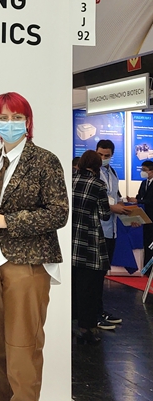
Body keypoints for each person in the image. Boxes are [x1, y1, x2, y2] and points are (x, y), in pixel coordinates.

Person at [0, 92, 68, 401]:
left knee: (22, 351)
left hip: (28, 264)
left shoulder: (45, 160)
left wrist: (8, 221)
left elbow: (58, 213)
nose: (9, 123)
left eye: (16, 117)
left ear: (27, 121)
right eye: (3, 118)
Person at [72, 150, 111, 345]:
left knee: (73, 285)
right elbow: (105, 214)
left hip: (71, 240)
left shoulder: (70, 181)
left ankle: (70, 323)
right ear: (97, 166)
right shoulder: (98, 185)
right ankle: (86, 328)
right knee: (88, 288)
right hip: (90, 242)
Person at [95, 139, 125, 329]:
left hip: (110, 229)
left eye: (106, 155)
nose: (103, 158)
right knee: (95, 276)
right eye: (100, 154)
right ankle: (94, 314)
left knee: (103, 274)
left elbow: (116, 196)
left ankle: (100, 310)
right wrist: (112, 207)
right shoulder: (92, 172)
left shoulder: (112, 172)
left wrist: (126, 211)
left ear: (112, 155)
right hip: (97, 229)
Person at [134, 160, 153, 272]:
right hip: (144, 218)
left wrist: (138, 200)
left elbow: (150, 201)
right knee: (146, 243)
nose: (142, 172)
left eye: (144, 170)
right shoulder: (143, 183)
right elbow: (139, 196)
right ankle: (146, 269)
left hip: (152, 216)